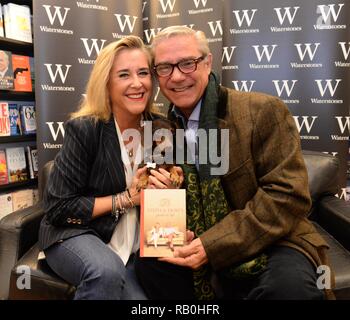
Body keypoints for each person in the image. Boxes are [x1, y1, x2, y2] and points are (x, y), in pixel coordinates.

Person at [134, 26, 334, 300]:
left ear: (207, 62)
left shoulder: (261, 111)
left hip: (276, 240)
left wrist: (212, 244)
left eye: (187, 63)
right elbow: (165, 209)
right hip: (197, 239)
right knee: (150, 266)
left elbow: (287, 196)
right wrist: (158, 193)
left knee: (288, 290)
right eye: (165, 67)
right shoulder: (161, 130)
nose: (177, 76)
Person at [38, 35, 182, 300]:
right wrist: (127, 198)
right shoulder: (86, 129)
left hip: (135, 245)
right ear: (106, 83)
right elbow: (58, 208)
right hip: (76, 233)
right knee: (105, 272)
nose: (137, 83)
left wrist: (169, 187)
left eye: (143, 73)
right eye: (124, 75)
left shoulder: (161, 128)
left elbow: (165, 199)